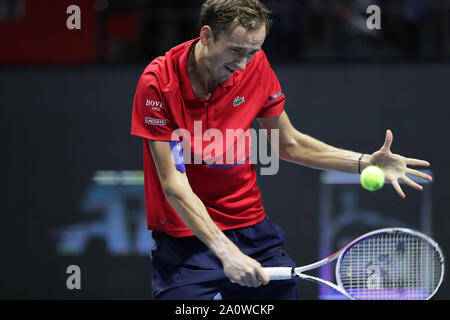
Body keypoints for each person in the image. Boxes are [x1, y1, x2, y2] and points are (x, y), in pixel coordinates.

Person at [130, 0, 432, 300]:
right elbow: (174, 185)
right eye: (235, 50)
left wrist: (364, 162)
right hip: (185, 237)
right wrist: (226, 252)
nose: (243, 65)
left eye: (253, 51)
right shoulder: (158, 84)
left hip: (249, 227)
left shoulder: (254, 67)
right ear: (207, 36)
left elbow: (289, 144)